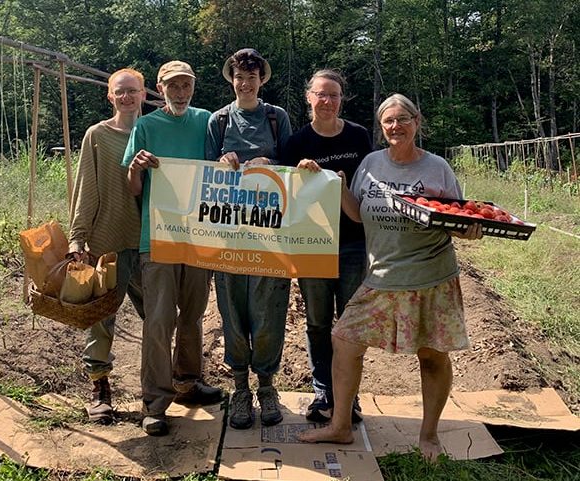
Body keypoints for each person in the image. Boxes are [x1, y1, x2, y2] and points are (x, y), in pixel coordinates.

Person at [298, 93, 483, 461]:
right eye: (389, 121)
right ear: (381, 127)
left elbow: (457, 220)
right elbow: (357, 213)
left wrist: (469, 230)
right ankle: (340, 426)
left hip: (430, 277)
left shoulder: (437, 168)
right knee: (345, 341)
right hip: (381, 274)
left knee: (432, 356)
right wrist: (338, 188)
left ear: (417, 122)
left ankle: (429, 435)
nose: (396, 126)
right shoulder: (371, 163)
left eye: (403, 119)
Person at [123, 60, 223, 437]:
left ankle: (188, 382)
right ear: (160, 88)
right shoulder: (146, 126)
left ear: (193, 87)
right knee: (159, 319)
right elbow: (134, 187)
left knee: (193, 314)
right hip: (158, 236)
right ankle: (155, 403)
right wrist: (136, 167)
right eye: (173, 86)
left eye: (186, 86)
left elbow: (221, 169)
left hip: (198, 235)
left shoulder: (207, 121)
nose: (180, 93)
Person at [206, 48, 293, 430]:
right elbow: (203, 173)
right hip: (228, 235)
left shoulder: (277, 118)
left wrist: (270, 165)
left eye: (251, 77)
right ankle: (240, 387)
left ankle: (267, 386)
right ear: (232, 79)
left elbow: (293, 167)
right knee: (232, 310)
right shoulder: (219, 120)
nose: (245, 83)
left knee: (269, 311)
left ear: (261, 80)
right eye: (239, 77)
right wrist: (221, 164)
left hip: (271, 234)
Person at [281, 69, 373, 423]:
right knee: (318, 322)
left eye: (334, 95)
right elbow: (284, 196)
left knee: (349, 322)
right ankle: (323, 391)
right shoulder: (296, 143)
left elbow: (368, 189)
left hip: (352, 243)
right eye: (321, 94)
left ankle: (349, 396)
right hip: (312, 245)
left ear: (341, 99)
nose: (327, 101)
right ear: (309, 98)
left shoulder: (358, 137)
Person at [68, 68, 146, 424]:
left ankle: (160, 385)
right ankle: (100, 387)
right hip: (108, 241)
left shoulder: (154, 131)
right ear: (110, 96)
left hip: (148, 241)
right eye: (120, 91)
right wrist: (78, 236)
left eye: (133, 90)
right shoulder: (97, 135)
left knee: (159, 316)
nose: (126, 97)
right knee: (102, 318)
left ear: (144, 94)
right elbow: (86, 187)